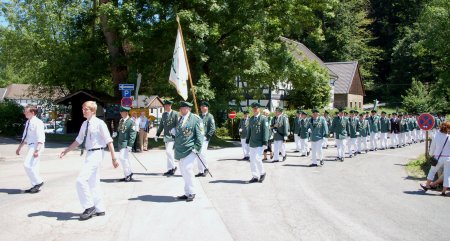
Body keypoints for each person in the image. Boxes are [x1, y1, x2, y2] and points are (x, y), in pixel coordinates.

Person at [59, 101, 118, 221]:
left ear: (93, 110)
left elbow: (109, 141)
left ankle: (89, 207)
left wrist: (113, 158)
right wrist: (67, 150)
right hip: (89, 153)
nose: (83, 111)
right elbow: (78, 140)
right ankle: (100, 208)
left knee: (80, 180)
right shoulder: (85, 124)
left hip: (97, 153)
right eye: (83, 108)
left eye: (86, 109)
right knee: (93, 182)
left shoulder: (100, 123)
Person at [174, 101, 203, 202]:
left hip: (191, 149)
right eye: (181, 108)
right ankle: (187, 192)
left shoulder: (196, 119)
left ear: (189, 109)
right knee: (183, 170)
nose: (182, 110)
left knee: (187, 168)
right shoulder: (180, 119)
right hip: (181, 149)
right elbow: (180, 132)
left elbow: (200, 135)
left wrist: (197, 148)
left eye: (184, 108)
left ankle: (192, 192)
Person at [16, 105, 46, 194]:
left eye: (26, 111)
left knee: (27, 164)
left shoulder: (38, 122)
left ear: (32, 113)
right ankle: (35, 186)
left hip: (36, 146)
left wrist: (37, 150)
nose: (24, 113)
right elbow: (25, 137)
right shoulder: (28, 122)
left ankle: (39, 182)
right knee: (33, 167)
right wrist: (19, 148)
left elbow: (41, 137)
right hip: (31, 146)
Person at [420, 121, 450, 196]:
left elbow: (432, 148)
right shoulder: (449, 137)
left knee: (432, 171)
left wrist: (431, 154)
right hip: (448, 158)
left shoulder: (436, 136)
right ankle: (444, 191)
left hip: (438, 157)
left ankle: (427, 185)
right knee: (447, 174)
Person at [246, 102, 269, 182]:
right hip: (252, 142)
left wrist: (265, 141)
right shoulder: (251, 119)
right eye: (253, 108)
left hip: (260, 142)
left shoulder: (263, 118)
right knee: (252, 160)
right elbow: (249, 130)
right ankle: (255, 176)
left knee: (257, 158)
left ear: (259, 109)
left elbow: (266, 131)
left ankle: (262, 173)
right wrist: (247, 139)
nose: (255, 110)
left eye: (256, 108)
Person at [155, 100, 179, 175]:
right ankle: (170, 169)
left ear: (170, 105)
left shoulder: (175, 114)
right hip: (166, 136)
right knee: (168, 153)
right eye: (164, 106)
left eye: (167, 105)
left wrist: (175, 130)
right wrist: (157, 134)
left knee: (168, 151)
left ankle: (174, 167)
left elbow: (179, 124)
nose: (165, 107)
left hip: (173, 136)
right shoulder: (164, 114)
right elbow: (161, 125)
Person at [115, 106, 136, 182]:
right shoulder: (121, 120)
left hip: (126, 143)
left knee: (122, 158)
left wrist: (130, 145)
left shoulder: (131, 122)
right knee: (125, 159)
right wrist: (115, 133)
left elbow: (133, 134)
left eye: (122, 112)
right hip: (120, 143)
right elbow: (119, 130)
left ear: (126, 113)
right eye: (120, 112)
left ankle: (128, 174)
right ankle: (128, 174)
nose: (120, 113)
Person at [195, 101, 216, 177]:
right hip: (198, 138)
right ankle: (201, 171)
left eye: (203, 106)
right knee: (198, 154)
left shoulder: (210, 116)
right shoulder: (199, 116)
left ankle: (206, 168)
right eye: (201, 106)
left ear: (207, 108)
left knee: (202, 153)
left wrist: (207, 137)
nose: (201, 108)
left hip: (205, 138)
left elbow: (212, 128)